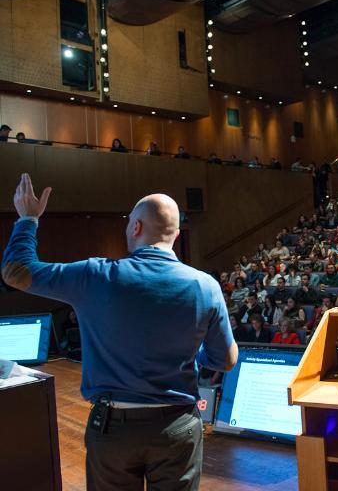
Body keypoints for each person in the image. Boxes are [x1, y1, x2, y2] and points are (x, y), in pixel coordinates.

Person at [1, 173, 238, 491]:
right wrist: (191, 352)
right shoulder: (205, 285)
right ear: (176, 234)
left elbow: (16, 272)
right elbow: (225, 360)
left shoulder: (95, 276)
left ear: (136, 227)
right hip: (178, 427)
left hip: (113, 430)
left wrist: (28, 219)